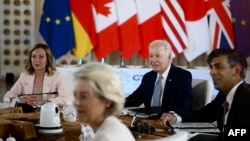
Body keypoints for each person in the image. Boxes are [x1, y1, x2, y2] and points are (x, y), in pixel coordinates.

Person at [160, 49, 250, 140]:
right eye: (211, 67)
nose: (212, 72)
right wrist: (176, 118)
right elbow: (203, 115)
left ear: (237, 70)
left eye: (218, 67)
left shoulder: (247, 97)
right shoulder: (224, 95)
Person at [125, 40, 193, 116]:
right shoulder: (148, 77)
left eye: (158, 56)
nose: (153, 60)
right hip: (147, 121)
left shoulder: (182, 76)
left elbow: (185, 104)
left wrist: (172, 115)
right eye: (151, 56)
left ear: (169, 58)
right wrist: (114, 103)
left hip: (167, 122)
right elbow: (134, 99)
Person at [73, 62, 135, 141]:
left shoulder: (105, 137)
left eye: (84, 96)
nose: (76, 103)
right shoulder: (115, 126)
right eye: (75, 95)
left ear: (107, 101)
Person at [4, 43, 70, 106]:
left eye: (41, 57)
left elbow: (65, 99)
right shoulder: (24, 76)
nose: (37, 60)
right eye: (34, 56)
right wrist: (18, 100)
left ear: (47, 60)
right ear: (30, 59)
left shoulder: (57, 76)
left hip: (48, 113)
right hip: (27, 114)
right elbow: (8, 96)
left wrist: (46, 102)